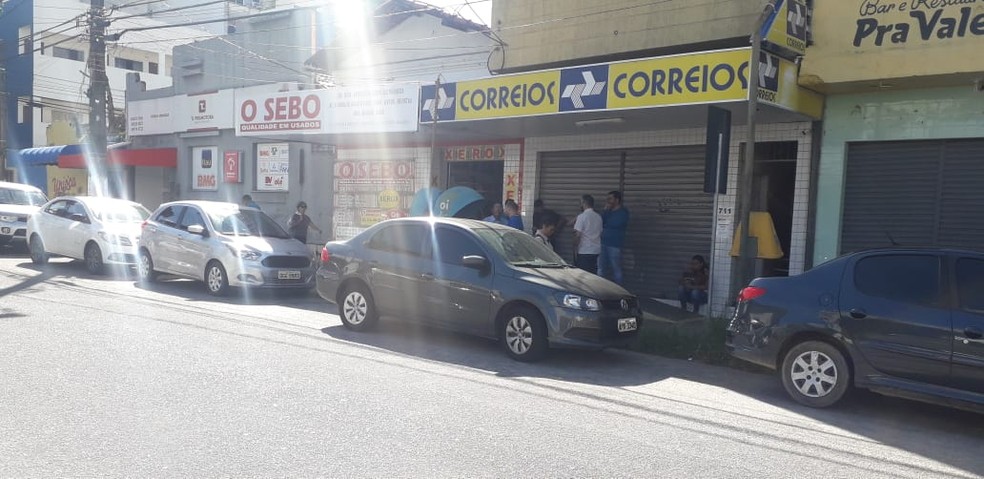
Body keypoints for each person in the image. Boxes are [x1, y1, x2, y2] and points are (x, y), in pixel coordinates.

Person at [599, 190, 629, 285]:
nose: (608, 201)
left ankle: (619, 291)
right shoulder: (608, 211)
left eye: (610, 199)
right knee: (601, 268)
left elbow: (614, 223)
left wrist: (606, 222)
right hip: (603, 243)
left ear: (617, 200)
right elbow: (600, 222)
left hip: (614, 245)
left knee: (616, 268)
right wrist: (605, 211)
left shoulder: (623, 212)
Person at [572, 194, 602, 274]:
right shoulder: (598, 217)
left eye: (581, 202)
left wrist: (574, 246)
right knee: (593, 275)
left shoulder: (582, 217)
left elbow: (578, 235)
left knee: (583, 275)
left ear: (584, 203)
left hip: (584, 251)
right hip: (596, 251)